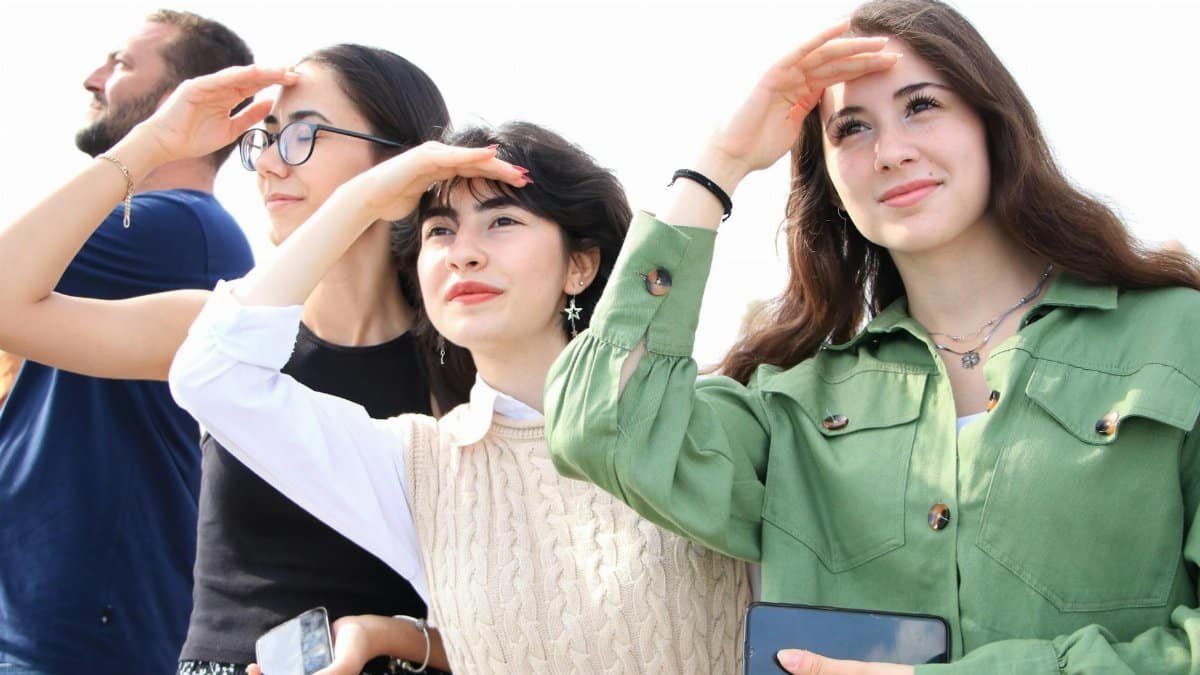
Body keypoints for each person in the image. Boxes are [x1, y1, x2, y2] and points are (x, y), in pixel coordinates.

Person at [542, 1, 1200, 673]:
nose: (891, 152)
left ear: (991, 123)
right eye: (851, 128)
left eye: (921, 106)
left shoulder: (1178, 336)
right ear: (827, 178)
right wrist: (723, 161)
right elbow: (604, 426)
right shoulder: (792, 403)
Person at [167, 112, 752, 672]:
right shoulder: (417, 467)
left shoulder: (706, 421)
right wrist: (364, 200)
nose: (463, 253)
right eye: (439, 231)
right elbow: (214, 376)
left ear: (580, 265)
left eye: (501, 221)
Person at [0, 46, 460, 674]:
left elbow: (506, 602)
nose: (268, 163)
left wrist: (387, 636)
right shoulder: (219, 334)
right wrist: (155, 141)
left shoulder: (460, 365)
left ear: (400, 161)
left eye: (303, 135)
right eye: (263, 139)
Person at [0, 11, 255, 675]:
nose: (93, 79)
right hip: (52, 621)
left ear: (187, 101)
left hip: (86, 636)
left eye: (122, 64)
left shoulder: (176, 228)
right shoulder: (152, 228)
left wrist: (145, 144)